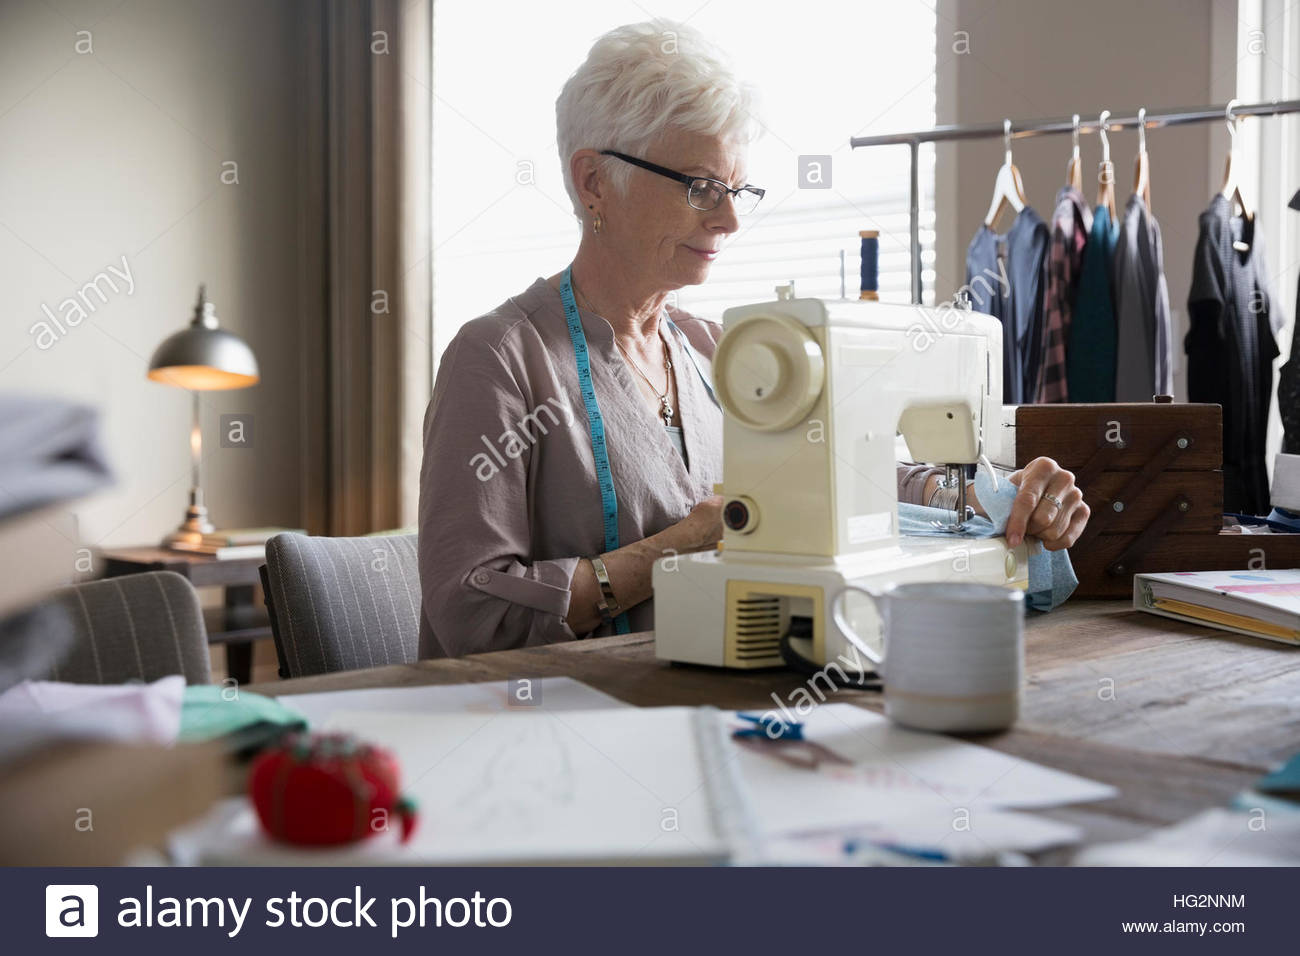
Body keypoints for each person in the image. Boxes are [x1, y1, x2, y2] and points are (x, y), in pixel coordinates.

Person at [418, 20, 1089, 658]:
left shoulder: (717, 351)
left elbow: (838, 477)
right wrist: (681, 546)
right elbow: (477, 617)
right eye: (703, 187)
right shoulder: (501, 360)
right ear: (594, 180)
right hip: (558, 730)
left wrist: (989, 497)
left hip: (715, 695)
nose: (732, 219)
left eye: (739, 189)